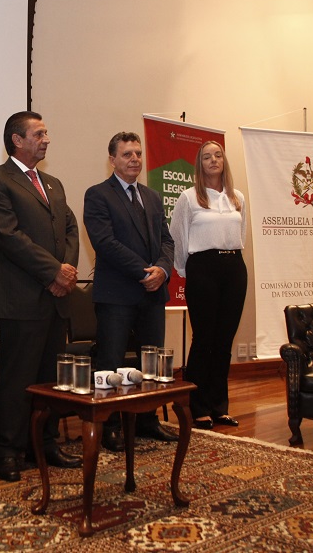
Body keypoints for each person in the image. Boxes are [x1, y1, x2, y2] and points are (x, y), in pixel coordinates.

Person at [0, 111, 83, 482]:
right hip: (22, 299)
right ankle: (8, 452)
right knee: (17, 381)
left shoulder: (53, 183)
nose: (46, 139)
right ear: (17, 140)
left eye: (46, 133)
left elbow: (69, 229)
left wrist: (66, 271)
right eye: (39, 134)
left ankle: (46, 444)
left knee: (51, 380)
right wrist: (53, 271)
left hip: (56, 299)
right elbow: (8, 236)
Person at [83, 132, 178, 452]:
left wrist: (163, 270)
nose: (135, 159)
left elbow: (167, 240)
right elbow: (105, 243)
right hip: (117, 295)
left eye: (138, 153)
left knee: (151, 361)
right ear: (112, 160)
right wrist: (144, 273)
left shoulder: (152, 196)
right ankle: (109, 425)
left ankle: (148, 421)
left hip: (153, 293)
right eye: (127, 154)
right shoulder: (97, 195)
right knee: (109, 362)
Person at [169, 140, 247, 432]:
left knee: (224, 341)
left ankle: (219, 406)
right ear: (199, 164)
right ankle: (198, 407)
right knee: (204, 339)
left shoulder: (237, 196)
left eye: (218, 155)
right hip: (202, 268)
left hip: (234, 268)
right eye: (206, 157)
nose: (213, 160)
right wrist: (184, 270)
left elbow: (242, 233)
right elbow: (178, 238)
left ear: (224, 161)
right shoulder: (189, 198)